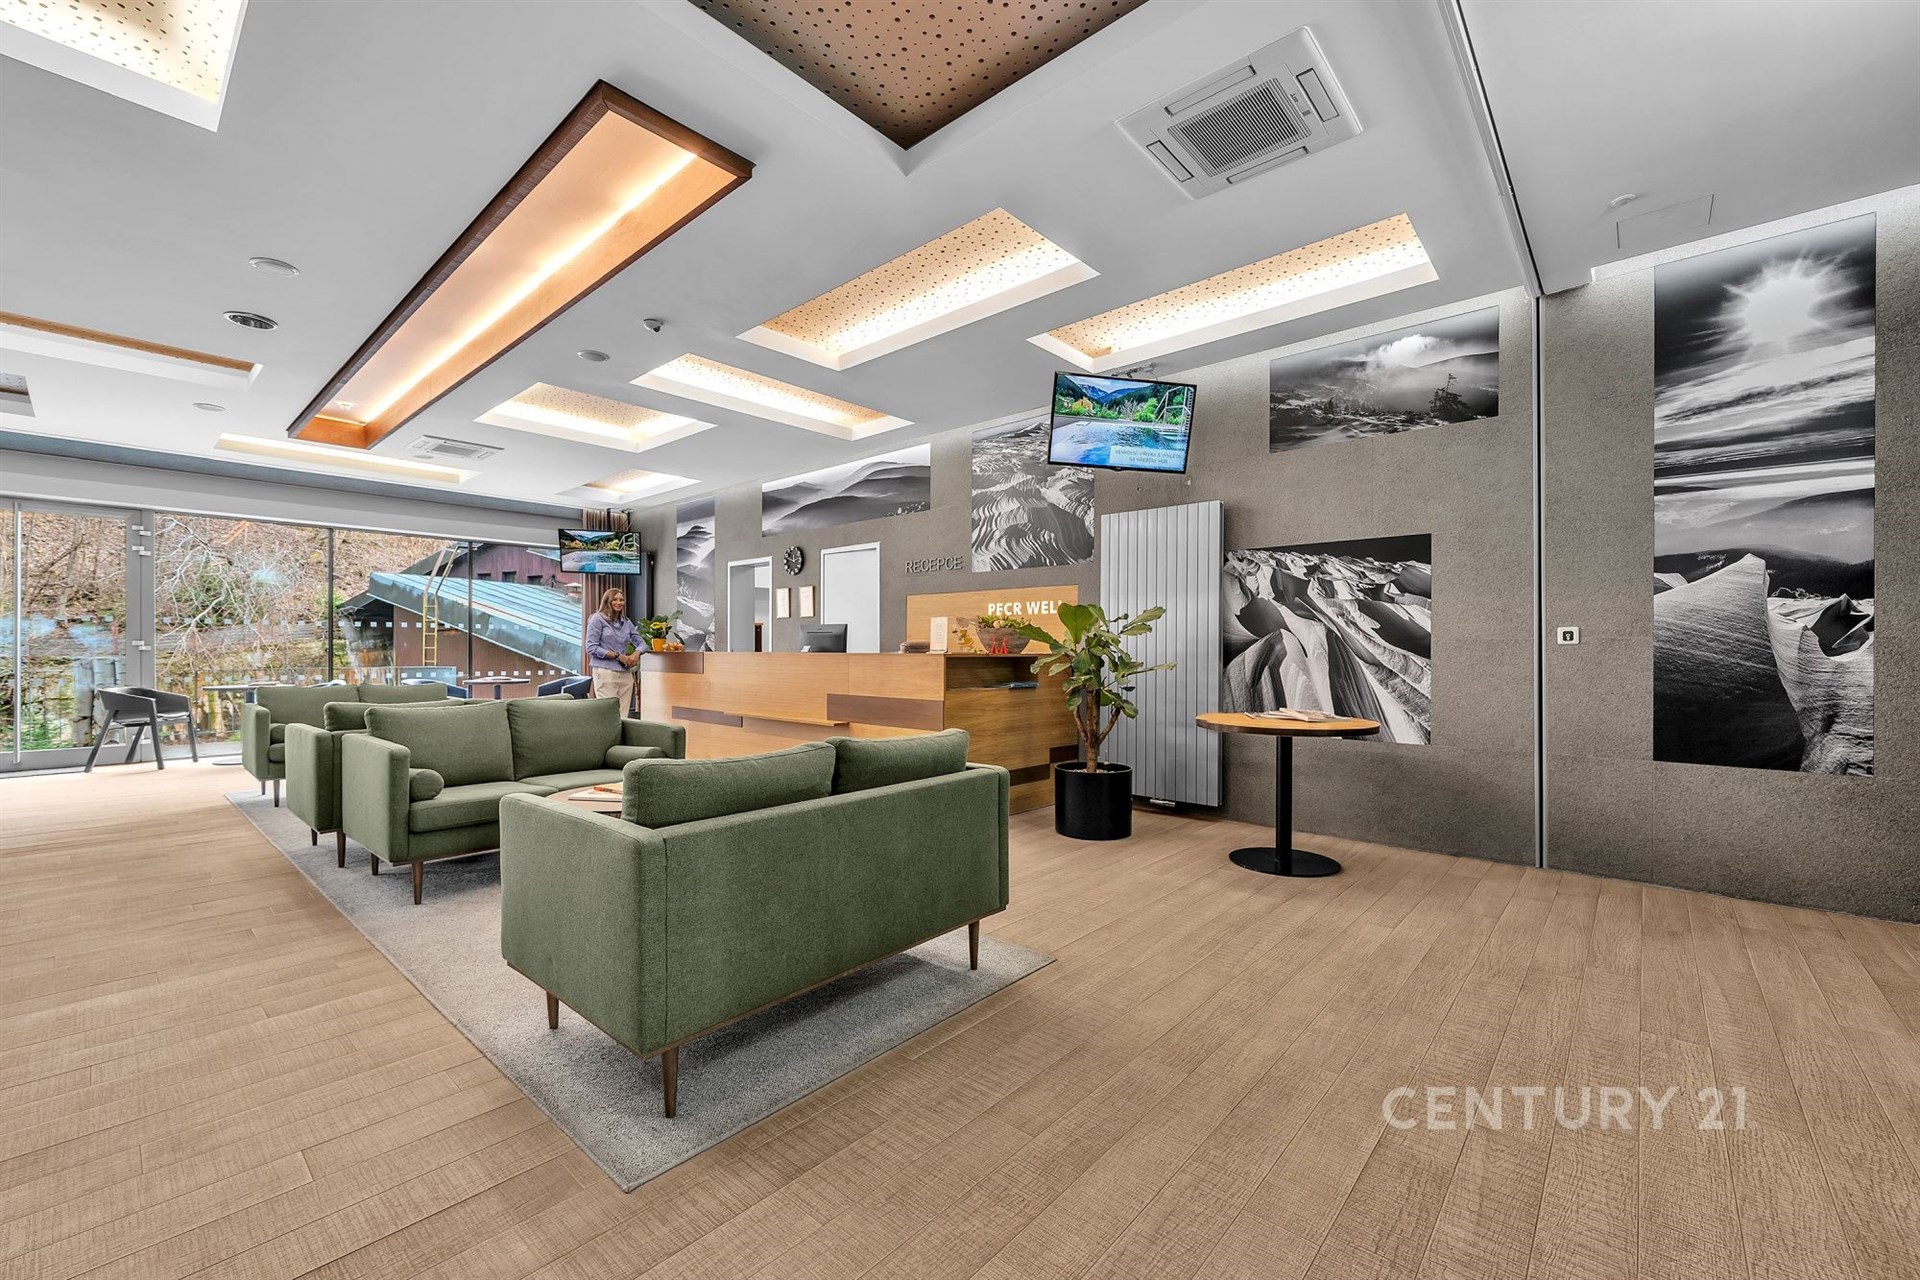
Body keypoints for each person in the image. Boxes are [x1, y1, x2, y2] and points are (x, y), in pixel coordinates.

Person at [584, 587, 640, 708]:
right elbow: (591, 647)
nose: (619, 602)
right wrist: (617, 656)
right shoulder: (597, 619)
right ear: (607, 601)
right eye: (615, 599)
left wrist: (636, 654)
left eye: (621, 600)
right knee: (609, 712)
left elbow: (642, 643)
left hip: (625, 673)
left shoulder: (626, 622)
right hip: (605, 672)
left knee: (623, 714)